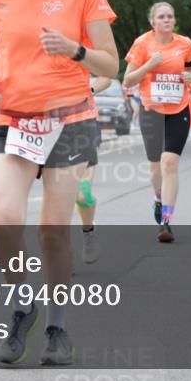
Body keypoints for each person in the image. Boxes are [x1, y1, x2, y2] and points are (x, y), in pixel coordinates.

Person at [0, 0, 117, 366]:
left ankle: (57, 326)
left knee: (52, 231)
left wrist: (75, 49)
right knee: (4, 219)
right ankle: (22, 306)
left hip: (70, 120)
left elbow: (111, 63)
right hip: (11, 119)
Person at [123, 2, 191, 242]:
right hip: (152, 111)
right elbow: (127, 81)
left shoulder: (185, 44)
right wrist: (149, 65)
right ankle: (158, 197)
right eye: (161, 17)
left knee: (169, 163)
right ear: (152, 22)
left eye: (170, 17)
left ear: (174, 21)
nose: (166, 20)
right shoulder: (142, 44)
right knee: (155, 167)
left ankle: (166, 222)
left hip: (178, 109)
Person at [77, 76, 111, 264]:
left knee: (83, 195)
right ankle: (59, 254)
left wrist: (89, 90)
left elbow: (107, 75)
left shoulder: (81, 49)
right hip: (47, 124)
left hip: (83, 122)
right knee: (58, 197)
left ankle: (88, 231)